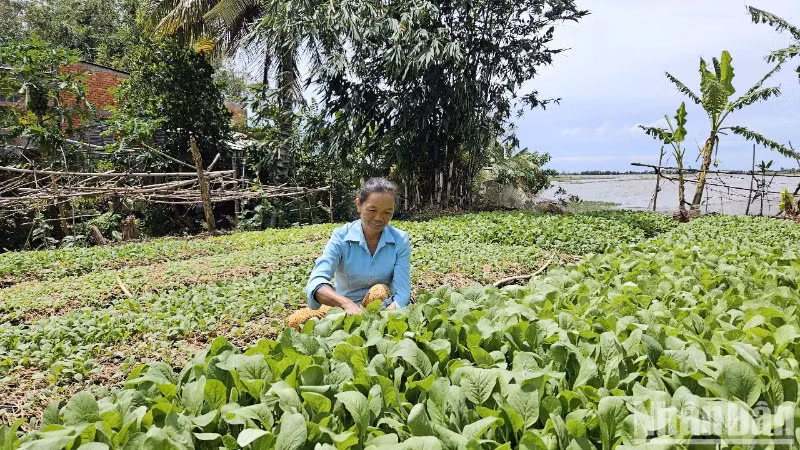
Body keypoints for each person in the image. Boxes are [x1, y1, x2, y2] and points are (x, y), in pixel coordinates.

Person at [285, 177, 411, 329]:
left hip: (379, 309)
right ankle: (348, 328)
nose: (379, 218)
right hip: (342, 307)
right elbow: (316, 283)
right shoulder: (341, 237)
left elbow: (402, 293)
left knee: (379, 291)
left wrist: (385, 318)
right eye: (372, 210)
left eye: (387, 212)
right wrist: (346, 304)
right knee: (295, 321)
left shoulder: (400, 240)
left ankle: (365, 329)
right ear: (358, 205)